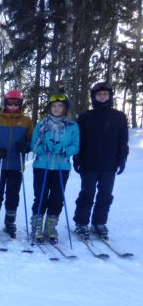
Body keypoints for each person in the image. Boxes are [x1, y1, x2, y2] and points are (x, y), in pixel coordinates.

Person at [73, 82, 129, 241]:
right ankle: (81, 223)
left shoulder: (119, 117)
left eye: (105, 94)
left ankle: (99, 222)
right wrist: (76, 157)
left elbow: (123, 141)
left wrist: (122, 158)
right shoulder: (85, 117)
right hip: (89, 162)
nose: (102, 97)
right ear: (94, 97)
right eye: (99, 94)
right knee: (87, 194)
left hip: (110, 164)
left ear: (110, 96)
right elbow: (79, 140)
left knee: (105, 195)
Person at [30, 94, 79, 244]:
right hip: (42, 166)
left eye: (60, 106)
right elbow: (33, 145)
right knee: (41, 196)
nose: (57, 109)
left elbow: (76, 146)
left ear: (65, 108)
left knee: (57, 197)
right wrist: (43, 147)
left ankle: (50, 226)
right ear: (50, 108)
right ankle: (37, 226)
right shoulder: (42, 124)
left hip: (61, 167)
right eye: (53, 106)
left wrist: (65, 149)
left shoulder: (72, 126)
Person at [0, 89, 33, 238]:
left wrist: (26, 146)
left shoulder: (26, 121)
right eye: (10, 103)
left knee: (13, 195)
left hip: (16, 165)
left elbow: (32, 140)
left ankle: (10, 222)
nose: (12, 106)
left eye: (16, 103)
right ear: (5, 103)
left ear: (20, 104)